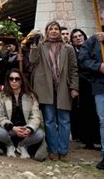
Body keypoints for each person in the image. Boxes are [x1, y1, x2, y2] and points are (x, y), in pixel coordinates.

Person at [30, 20, 79, 162]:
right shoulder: (40, 46)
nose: (53, 31)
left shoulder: (68, 48)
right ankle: (53, 150)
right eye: (50, 29)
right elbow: (32, 61)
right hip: (45, 88)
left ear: (59, 31)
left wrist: (74, 87)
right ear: (47, 32)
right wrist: (33, 44)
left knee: (64, 120)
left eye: (56, 28)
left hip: (63, 87)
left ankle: (63, 150)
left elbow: (74, 69)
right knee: (50, 120)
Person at [79, 6, 104, 170]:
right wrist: (98, 67)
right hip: (102, 87)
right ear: (101, 18)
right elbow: (82, 58)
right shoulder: (92, 40)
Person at [0, 69, 45, 159]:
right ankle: (10, 146)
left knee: (40, 134)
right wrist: (13, 128)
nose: (14, 81)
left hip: (25, 131)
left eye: (17, 79)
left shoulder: (31, 96)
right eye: (11, 79)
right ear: (8, 80)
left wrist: (29, 128)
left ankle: (23, 146)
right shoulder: (1, 96)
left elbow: (36, 116)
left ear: (21, 81)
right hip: (10, 130)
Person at [70, 28, 100, 150]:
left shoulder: (93, 49)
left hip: (94, 83)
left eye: (80, 35)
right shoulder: (72, 52)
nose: (78, 38)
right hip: (81, 85)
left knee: (97, 112)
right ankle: (87, 140)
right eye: (75, 37)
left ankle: (98, 139)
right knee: (84, 113)